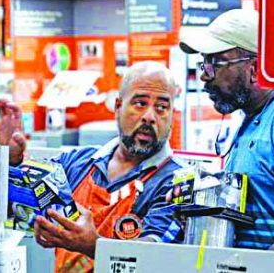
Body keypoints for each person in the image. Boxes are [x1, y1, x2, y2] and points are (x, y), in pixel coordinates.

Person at [32, 61, 184, 273]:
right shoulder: (78, 163)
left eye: (161, 107)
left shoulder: (177, 183)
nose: (150, 117)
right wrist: (10, 158)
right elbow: (24, 197)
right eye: (140, 103)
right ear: (118, 106)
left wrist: (94, 246)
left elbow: (153, 258)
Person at [179, 8, 274, 251]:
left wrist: (256, 268)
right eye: (203, 62)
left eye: (214, 62)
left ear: (255, 69)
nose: (204, 75)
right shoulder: (252, 118)